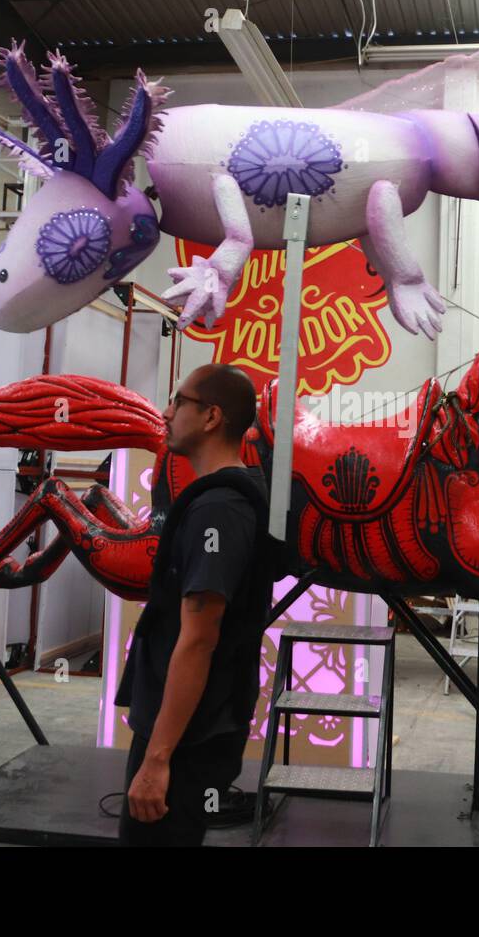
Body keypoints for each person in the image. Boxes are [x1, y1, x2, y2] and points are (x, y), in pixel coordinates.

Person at [114, 363, 271, 846]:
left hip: (186, 741)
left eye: (178, 401)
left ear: (210, 418)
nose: (165, 412)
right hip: (192, 731)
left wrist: (157, 758)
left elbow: (199, 640)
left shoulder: (219, 511)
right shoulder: (227, 499)